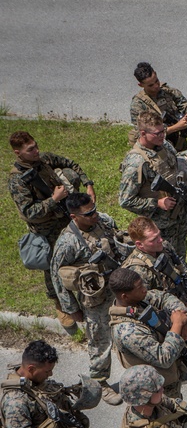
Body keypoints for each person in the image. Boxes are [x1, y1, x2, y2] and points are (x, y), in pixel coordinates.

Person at [8, 131, 97, 333]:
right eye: (30, 149)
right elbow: (29, 211)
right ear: (18, 153)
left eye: (36, 146)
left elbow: (71, 164)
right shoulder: (17, 180)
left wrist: (87, 183)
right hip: (45, 227)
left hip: (65, 217)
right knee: (51, 267)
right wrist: (54, 200)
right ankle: (60, 304)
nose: (36, 151)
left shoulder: (44, 159)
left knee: (79, 253)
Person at [107, 268, 187, 410]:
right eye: (139, 287)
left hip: (174, 368)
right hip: (158, 386)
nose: (144, 289)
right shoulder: (127, 331)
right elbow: (163, 358)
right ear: (125, 296)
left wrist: (182, 317)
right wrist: (177, 325)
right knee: (173, 416)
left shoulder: (138, 299)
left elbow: (164, 297)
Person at [50, 192, 124, 405]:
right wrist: (70, 308)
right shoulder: (68, 242)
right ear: (74, 217)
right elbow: (57, 276)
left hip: (119, 287)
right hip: (96, 298)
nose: (95, 215)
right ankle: (100, 381)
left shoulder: (104, 221)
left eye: (94, 209)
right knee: (100, 340)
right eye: (89, 213)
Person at [119, 110, 187, 254]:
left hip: (178, 215)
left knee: (180, 256)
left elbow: (174, 158)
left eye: (163, 131)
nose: (162, 135)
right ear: (143, 133)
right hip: (160, 226)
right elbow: (125, 200)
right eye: (157, 133)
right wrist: (157, 203)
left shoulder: (163, 144)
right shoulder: (136, 163)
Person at [130, 61, 187, 152]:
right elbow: (141, 134)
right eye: (150, 85)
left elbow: (186, 104)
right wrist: (174, 128)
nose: (156, 86)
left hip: (178, 142)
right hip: (156, 149)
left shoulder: (168, 92)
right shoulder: (138, 104)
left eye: (156, 81)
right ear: (141, 85)